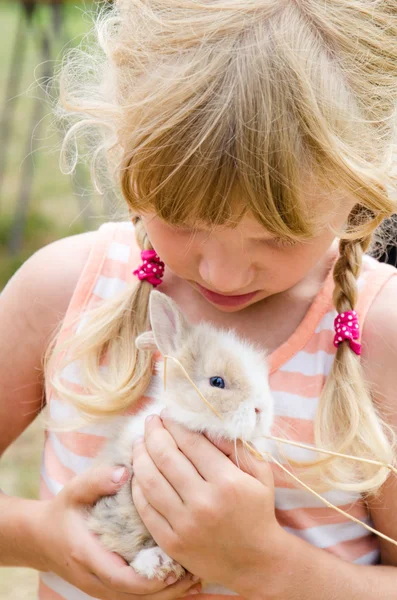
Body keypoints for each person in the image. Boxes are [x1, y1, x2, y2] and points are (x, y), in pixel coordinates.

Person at [1, 0, 397, 598]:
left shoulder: (382, 337)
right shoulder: (61, 291)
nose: (225, 271)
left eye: (278, 234)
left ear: (362, 183)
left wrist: (268, 566)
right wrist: (42, 534)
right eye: (183, 220)